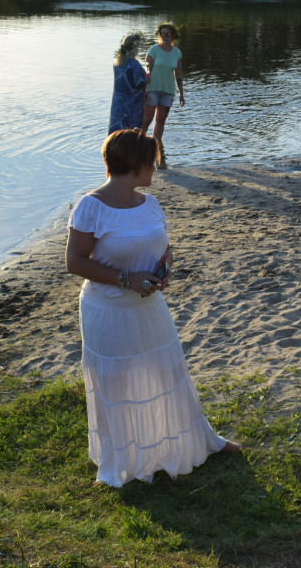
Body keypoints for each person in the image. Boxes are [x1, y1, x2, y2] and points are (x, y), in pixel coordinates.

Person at [65, 129, 240, 487]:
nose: (156, 168)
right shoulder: (90, 206)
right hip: (108, 310)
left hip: (150, 306)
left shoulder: (150, 202)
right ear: (135, 164)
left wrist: (163, 269)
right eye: (152, 161)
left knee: (167, 371)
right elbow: (75, 262)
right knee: (116, 383)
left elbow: (164, 246)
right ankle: (125, 459)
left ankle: (196, 441)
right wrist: (128, 279)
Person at [143, 22, 185, 154]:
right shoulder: (154, 49)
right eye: (163, 34)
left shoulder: (177, 53)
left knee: (160, 120)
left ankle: (155, 149)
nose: (165, 36)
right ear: (160, 35)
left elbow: (178, 74)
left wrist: (181, 94)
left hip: (168, 91)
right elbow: (146, 70)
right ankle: (138, 145)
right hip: (152, 89)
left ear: (173, 35)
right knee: (146, 120)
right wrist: (144, 89)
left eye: (168, 34)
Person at [108, 33, 147, 134]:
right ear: (135, 48)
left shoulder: (117, 62)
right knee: (130, 133)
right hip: (131, 105)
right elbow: (139, 83)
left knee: (116, 132)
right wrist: (148, 77)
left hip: (118, 103)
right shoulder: (134, 64)